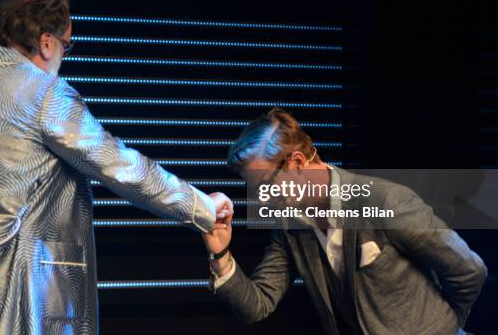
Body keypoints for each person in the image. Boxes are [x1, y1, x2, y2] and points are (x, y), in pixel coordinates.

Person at [0, 0, 233, 335]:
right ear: (46, 41)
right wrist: (201, 207)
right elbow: (120, 166)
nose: (63, 55)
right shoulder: (41, 91)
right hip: (21, 296)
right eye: (66, 45)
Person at [203, 108, 487, 335]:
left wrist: (445, 326)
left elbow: (468, 271)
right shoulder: (290, 227)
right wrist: (220, 253)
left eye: (265, 184)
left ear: (298, 163)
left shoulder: (384, 201)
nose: (261, 198)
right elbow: (257, 305)